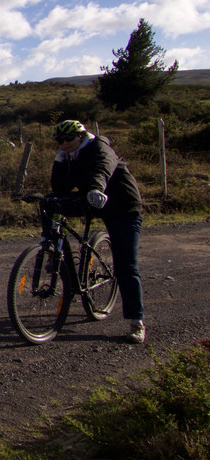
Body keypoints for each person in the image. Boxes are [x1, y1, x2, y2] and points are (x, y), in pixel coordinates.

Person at [50, 119, 146, 343]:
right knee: (49, 203)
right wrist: (59, 161)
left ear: (81, 136)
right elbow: (60, 188)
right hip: (94, 201)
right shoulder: (68, 155)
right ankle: (53, 255)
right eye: (59, 140)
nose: (63, 143)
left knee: (126, 266)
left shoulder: (100, 147)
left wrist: (96, 188)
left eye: (67, 139)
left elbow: (102, 168)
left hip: (123, 207)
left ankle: (136, 322)